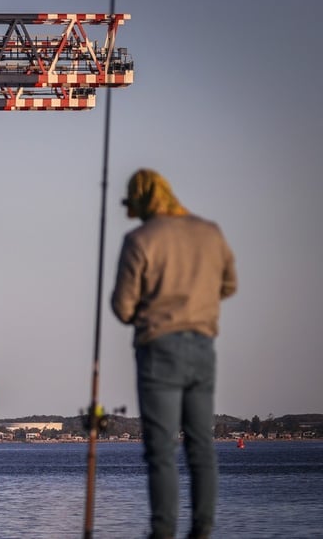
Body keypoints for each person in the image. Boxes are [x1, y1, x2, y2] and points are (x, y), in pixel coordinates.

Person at [111, 168, 237, 539]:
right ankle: (203, 530)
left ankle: (163, 532)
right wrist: (196, 303)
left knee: (161, 448)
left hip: (158, 349)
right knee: (202, 445)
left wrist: (155, 308)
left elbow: (123, 308)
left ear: (139, 198)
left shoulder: (139, 239)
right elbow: (229, 285)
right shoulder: (210, 232)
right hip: (202, 348)